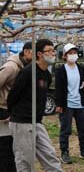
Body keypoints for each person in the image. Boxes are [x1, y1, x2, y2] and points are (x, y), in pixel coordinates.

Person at [7, 39, 63, 172]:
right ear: (39, 54)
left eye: (53, 51)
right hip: (22, 122)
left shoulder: (47, 75)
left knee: (50, 155)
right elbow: (13, 95)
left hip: (37, 121)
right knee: (25, 159)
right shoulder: (28, 72)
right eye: (49, 51)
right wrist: (13, 113)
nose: (52, 54)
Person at [55, 43, 84, 164]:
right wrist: (59, 104)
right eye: (70, 53)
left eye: (75, 53)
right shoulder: (61, 70)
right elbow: (59, 88)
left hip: (79, 103)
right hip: (67, 104)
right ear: (65, 56)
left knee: (82, 128)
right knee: (66, 129)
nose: (73, 55)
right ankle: (64, 152)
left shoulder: (80, 68)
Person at [0, 42, 32, 172]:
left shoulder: (23, 67)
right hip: (3, 111)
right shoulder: (11, 67)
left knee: (13, 145)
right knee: (5, 145)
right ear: (26, 52)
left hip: (12, 111)